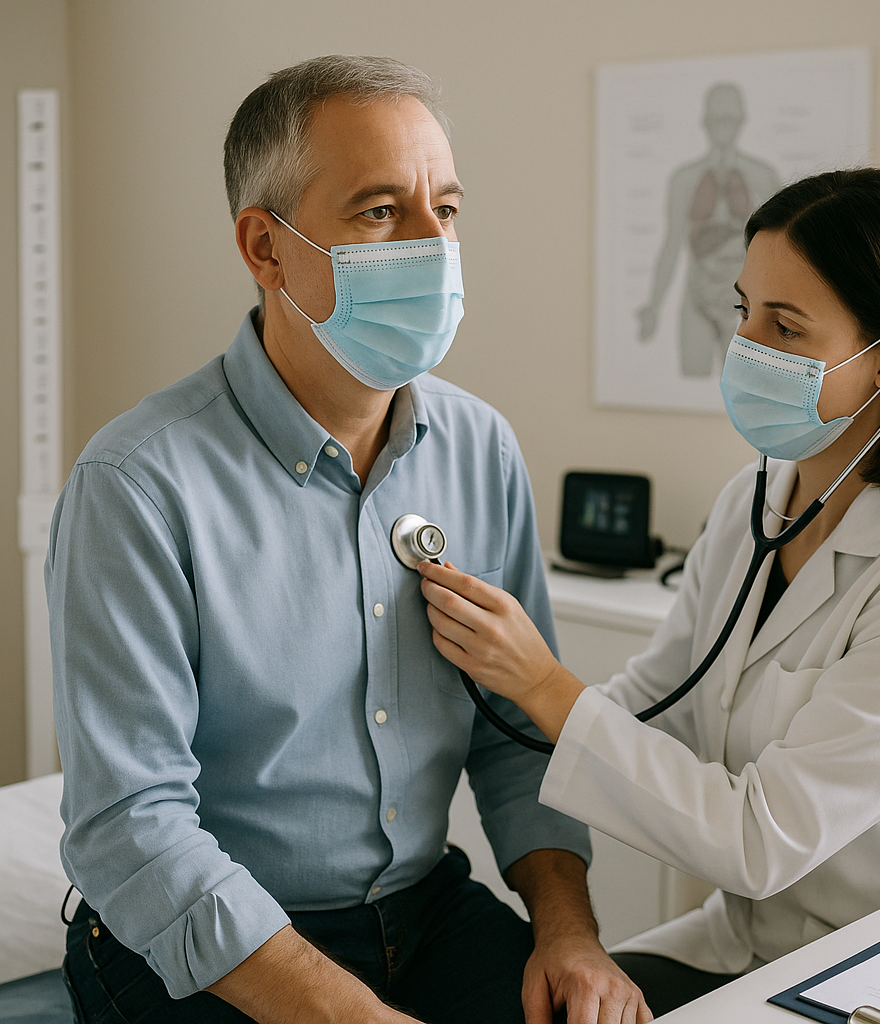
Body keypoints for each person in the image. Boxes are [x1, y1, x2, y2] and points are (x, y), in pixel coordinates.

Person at [47, 55, 649, 1024]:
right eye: (379, 211)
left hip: (423, 914)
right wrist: (347, 1013)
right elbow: (132, 823)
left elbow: (516, 740)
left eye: (444, 209)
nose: (432, 245)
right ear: (264, 247)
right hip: (207, 941)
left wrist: (567, 930)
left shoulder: (481, 447)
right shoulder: (137, 484)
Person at [418, 168, 880, 1017]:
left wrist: (544, 685)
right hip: (753, 945)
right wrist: (476, 707)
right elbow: (664, 700)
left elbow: (758, 838)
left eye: (786, 324)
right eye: (745, 311)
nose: (747, 345)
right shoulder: (756, 499)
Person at [635, 82, 780, 378]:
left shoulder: (763, 177)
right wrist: (653, 306)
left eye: (729, 119)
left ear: (741, 121)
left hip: (744, 303)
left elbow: (780, 250)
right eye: (716, 119)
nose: (723, 127)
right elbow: (671, 244)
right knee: (692, 380)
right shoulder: (684, 179)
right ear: (705, 123)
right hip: (696, 297)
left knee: (745, 391)